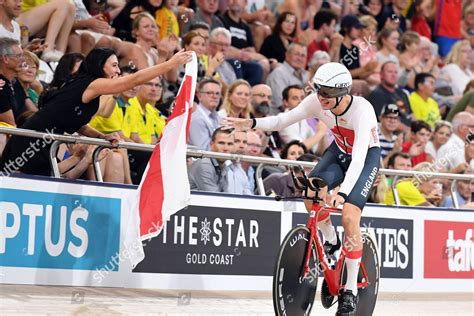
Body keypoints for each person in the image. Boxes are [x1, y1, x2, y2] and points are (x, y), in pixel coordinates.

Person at [224, 62, 381, 314]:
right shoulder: (316, 101)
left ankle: (350, 290)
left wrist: (341, 194)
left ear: (343, 92)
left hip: (365, 158)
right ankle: (330, 239)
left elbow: (360, 158)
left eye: (328, 94)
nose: (322, 98)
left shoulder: (363, 110)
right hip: (339, 152)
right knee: (310, 193)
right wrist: (251, 123)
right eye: (319, 91)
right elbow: (282, 119)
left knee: (351, 215)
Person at [0, 47, 192, 176]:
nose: (117, 71)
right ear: (100, 66)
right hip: (32, 142)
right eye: (114, 65)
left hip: (46, 142)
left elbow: (75, 122)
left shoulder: (88, 88)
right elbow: (132, 80)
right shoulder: (92, 84)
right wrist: (170, 64)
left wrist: (101, 136)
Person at [279, 84, 328, 154]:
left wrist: (323, 134)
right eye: (295, 98)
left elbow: (319, 152)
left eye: (302, 98)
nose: (300, 102)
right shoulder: (282, 118)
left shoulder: (305, 119)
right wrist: (320, 133)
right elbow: (298, 148)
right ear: (285, 102)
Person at [266, 42, 309, 115]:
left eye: (303, 55)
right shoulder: (279, 74)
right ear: (287, 55)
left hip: (300, 118)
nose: (299, 58)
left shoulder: (305, 75)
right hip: (280, 120)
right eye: (296, 54)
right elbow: (282, 106)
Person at [188, 127, 233, 192]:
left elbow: (225, 194)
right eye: (221, 143)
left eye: (230, 144)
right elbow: (215, 198)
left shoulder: (224, 165)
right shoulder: (204, 164)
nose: (226, 148)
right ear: (212, 144)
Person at [189, 77, 222, 150]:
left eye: (217, 93)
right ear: (199, 96)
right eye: (210, 93)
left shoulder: (218, 116)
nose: (214, 96)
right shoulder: (196, 117)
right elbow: (203, 150)